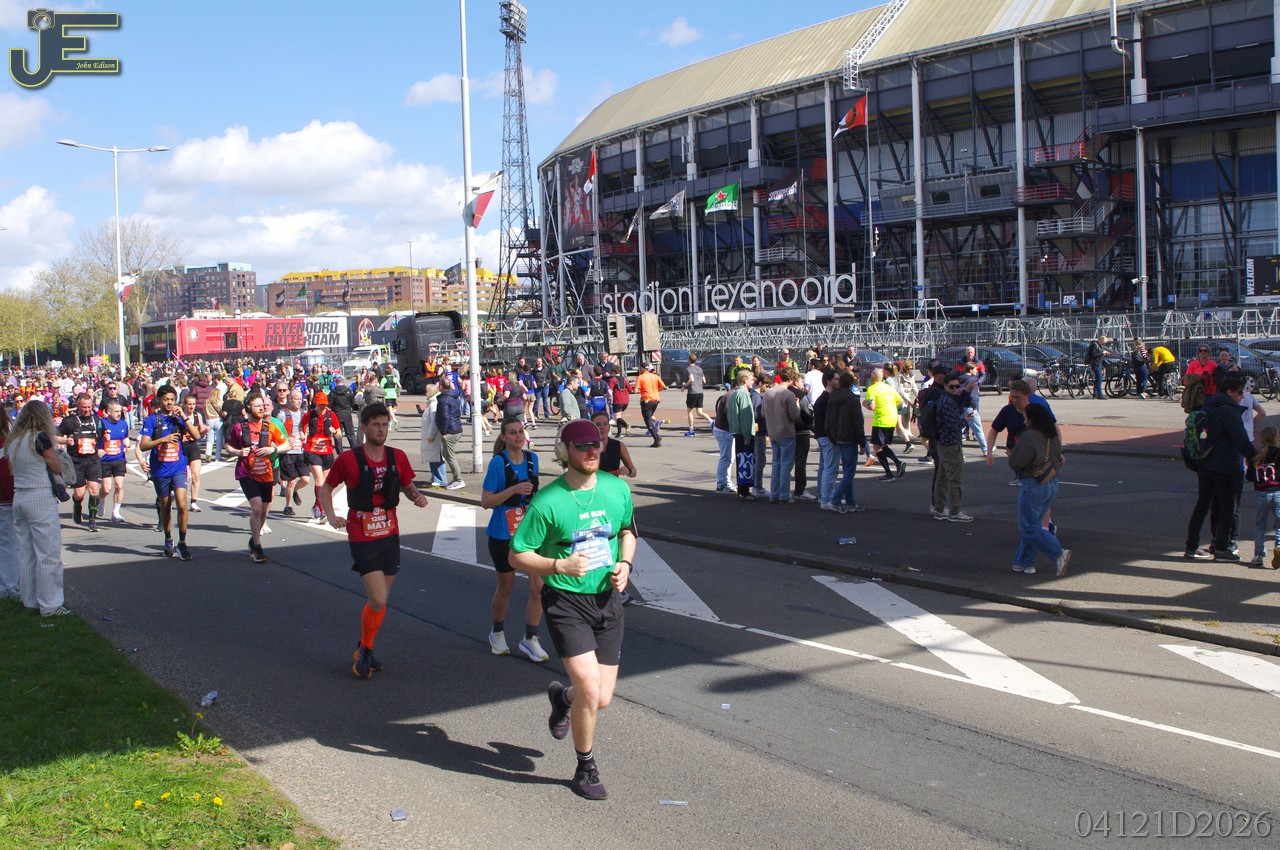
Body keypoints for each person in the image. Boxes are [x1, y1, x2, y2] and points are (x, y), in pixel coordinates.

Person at [508, 418, 636, 801]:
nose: (591, 450)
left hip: (607, 599)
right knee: (590, 688)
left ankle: (562, 699)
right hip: (566, 601)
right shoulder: (548, 502)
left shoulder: (616, 489)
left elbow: (627, 531)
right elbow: (517, 554)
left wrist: (625, 564)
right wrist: (557, 566)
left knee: (601, 698)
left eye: (595, 443)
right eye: (581, 446)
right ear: (565, 452)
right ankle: (585, 768)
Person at [320, 401, 430, 679]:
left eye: (384, 424)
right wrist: (331, 515)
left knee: (381, 600)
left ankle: (364, 646)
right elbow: (327, 488)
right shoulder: (349, 460)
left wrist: (416, 496)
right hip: (361, 533)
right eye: (376, 425)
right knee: (378, 598)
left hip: (389, 532)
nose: (381, 429)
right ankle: (366, 651)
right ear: (365, 427)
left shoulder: (397, 457)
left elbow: (406, 485)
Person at [481, 416, 548, 662]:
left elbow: (534, 494)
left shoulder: (532, 459)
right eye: (512, 432)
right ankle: (497, 632)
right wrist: (513, 490)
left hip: (529, 532)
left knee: (539, 588)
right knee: (506, 588)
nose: (518, 436)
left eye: (521, 431)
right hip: (502, 534)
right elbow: (486, 501)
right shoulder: (498, 463)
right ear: (504, 437)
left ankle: (530, 638)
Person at [8, 400, 69, 616]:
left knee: (26, 553)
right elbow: (55, 466)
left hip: (20, 495)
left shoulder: (14, 440)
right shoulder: (40, 438)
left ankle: (30, 599)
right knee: (48, 553)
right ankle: (51, 604)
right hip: (39, 495)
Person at [1185, 375, 1254, 562]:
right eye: (1239, 392)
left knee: (1203, 504)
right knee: (1227, 507)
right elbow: (1241, 440)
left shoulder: (1208, 406)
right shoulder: (1228, 411)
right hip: (1225, 465)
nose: (1242, 396)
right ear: (1229, 392)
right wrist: (1255, 458)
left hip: (1204, 462)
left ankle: (1191, 546)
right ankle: (1221, 548)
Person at [139, 385, 201, 560]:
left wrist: (184, 417)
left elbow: (197, 436)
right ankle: (168, 538)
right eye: (166, 399)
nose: (169, 403)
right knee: (165, 504)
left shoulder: (178, 418)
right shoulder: (152, 420)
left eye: (172, 400)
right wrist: (163, 439)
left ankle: (182, 543)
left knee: (182, 504)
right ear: (160, 400)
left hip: (178, 467)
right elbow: (143, 445)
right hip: (160, 469)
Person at [1009, 403, 1070, 576]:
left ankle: (1058, 553)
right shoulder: (1052, 436)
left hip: (1033, 483)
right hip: (1051, 482)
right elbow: (1058, 459)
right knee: (1034, 525)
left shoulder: (1029, 436)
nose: (1024, 421)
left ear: (1032, 419)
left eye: (1025, 417)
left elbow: (1016, 462)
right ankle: (1024, 562)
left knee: (1028, 527)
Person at [227, 393, 289, 563]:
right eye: (257, 406)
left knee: (264, 510)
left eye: (262, 405)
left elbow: (287, 444)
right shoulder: (239, 427)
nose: (262, 408)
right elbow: (228, 446)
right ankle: (257, 547)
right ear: (249, 408)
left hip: (266, 472)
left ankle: (253, 538)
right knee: (256, 509)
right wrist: (238, 452)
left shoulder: (270, 426)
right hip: (246, 472)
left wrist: (273, 449)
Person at [58, 393, 105, 532]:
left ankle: (92, 520)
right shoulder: (69, 421)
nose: (86, 410)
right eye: (84, 407)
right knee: (79, 494)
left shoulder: (97, 420)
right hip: (76, 461)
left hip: (92, 460)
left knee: (94, 489)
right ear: (78, 406)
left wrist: (103, 447)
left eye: (89, 407)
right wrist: (65, 441)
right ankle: (77, 506)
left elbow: (104, 436)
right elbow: (55, 436)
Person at [932, 372, 973, 522]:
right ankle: (954, 511)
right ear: (945, 386)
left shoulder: (943, 399)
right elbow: (953, 425)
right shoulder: (948, 402)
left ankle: (939, 509)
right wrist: (965, 420)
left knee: (942, 477)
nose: (955, 389)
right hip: (951, 443)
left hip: (942, 443)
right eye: (952, 387)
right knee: (955, 479)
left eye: (957, 386)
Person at [762, 365, 801, 503]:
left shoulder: (768, 393)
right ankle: (784, 495)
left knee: (776, 464)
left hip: (773, 432)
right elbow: (795, 415)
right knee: (786, 466)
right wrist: (797, 406)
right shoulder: (788, 394)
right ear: (790, 379)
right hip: (786, 431)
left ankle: (774, 494)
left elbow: (762, 413)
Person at [302, 390, 342, 521]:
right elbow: (302, 425)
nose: (322, 406)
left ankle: (316, 505)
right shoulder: (309, 414)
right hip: (312, 449)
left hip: (327, 451)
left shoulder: (332, 415)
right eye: (320, 404)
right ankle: (323, 510)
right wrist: (302, 434)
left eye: (324, 404)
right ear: (316, 403)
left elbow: (339, 435)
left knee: (325, 483)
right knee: (319, 479)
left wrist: (334, 431)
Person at [863, 366, 907, 482]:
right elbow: (900, 401)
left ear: (873, 377)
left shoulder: (872, 388)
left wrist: (865, 404)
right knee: (882, 445)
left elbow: (872, 406)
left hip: (881, 419)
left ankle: (889, 473)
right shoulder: (889, 388)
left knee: (877, 447)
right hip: (892, 418)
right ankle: (898, 463)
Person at [1249, 425, 1280, 569]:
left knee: (1260, 525)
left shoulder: (1257, 454)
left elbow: (1250, 476)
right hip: (1277, 492)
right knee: (1279, 525)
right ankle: (1279, 547)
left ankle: (1259, 555)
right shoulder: (1278, 453)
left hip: (1262, 493)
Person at [277, 389, 311, 518]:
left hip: (301, 451)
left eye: (300, 399)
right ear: (290, 399)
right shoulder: (282, 414)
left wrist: (305, 436)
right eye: (296, 398)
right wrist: (285, 439)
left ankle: (296, 491)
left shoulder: (304, 413)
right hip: (288, 452)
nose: (298, 401)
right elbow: (278, 432)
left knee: (306, 479)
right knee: (290, 481)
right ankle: (288, 505)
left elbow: (308, 428)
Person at [726, 369, 757, 500]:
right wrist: (747, 436)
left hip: (737, 431)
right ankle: (744, 491)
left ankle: (742, 489)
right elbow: (745, 417)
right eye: (751, 379)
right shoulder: (744, 394)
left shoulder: (735, 393)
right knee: (746, 462)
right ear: (744, 380)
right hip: (744, 433)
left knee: (741, 461)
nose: (753, 381)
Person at [98, 400, 131, 523]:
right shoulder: (102, 423)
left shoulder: (123, 424)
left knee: (119, 485)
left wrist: (127, 445)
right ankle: (101, 501)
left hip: (119, 459)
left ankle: (116, 512)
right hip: (105, 460)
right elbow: (96, 438)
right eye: (116, 411)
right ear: (108, 411)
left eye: (120, 411)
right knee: (106, 489)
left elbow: (125, 437)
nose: (118, 414)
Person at [179, 393, 209, 512]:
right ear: (185, 405)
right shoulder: (180, 416)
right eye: (189, 404)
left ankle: (193, 502)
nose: (191, 406)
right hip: (183, 448)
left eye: (193, 404)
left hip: (193, 447)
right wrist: (181, 437)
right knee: (186, 477)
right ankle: (181, 499)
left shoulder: (198, 415)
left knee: (196, 475)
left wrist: (205, 430)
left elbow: (201, 431)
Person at [436, 379, 466, 490]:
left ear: (441, 386)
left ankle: (459, 480)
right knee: (447, 454)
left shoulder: (444, 400)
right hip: (456, 428)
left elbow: (444, 416)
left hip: (450, 430)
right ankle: (456, 479)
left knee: (450, 456)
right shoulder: (454, 397)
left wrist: (444, 432)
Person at [0, 413, 17, 602]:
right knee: (8, 546)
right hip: (5, 503)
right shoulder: (6, 445)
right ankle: (8, 588)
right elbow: (7, 476)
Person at [418, 384, 447, 488]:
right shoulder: (431, 403)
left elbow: (434, 422)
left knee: (437, 457)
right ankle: (435, 476)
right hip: (431, 436)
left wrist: (430, 435)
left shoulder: (434, 404)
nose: (425, 393)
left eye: (427, 391)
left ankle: (440, 478)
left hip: (434, 436)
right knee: (432, 457)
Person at [635, 363, 666, 448]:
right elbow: (663, 386)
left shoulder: (640, 377)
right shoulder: (655, 376)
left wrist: (641, 391)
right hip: (656, 400)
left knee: (647, 420)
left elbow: (635, 390)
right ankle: (656, 435)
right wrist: (657, 391)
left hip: (646, 400)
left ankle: (656, 438)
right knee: (650, 416)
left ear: (642, 368)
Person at [683, 355, 713, 436]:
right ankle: (711, 421)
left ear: (689, 360)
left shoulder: (689, 369)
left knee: (690, 412)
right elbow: (704, 381)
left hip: (692, 392)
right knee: (699, 412)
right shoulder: (699, 368)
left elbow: (691, 379)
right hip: (700, 392)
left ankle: (691, 430)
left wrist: (684, 386)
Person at [1085, 335, 1109, 399]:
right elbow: (1093, 354)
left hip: (1098, 363)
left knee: (1098, 378)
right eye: (1104, 342)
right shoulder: (1094, 345)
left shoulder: (1099, 345)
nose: (1104, 344)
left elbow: (1098, 354)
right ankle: (1099, 394)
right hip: (1095, 363)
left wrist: (1104, 353)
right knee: (1099, 378)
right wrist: (1102, 353)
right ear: (1101, 340)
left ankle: (1095, 394)